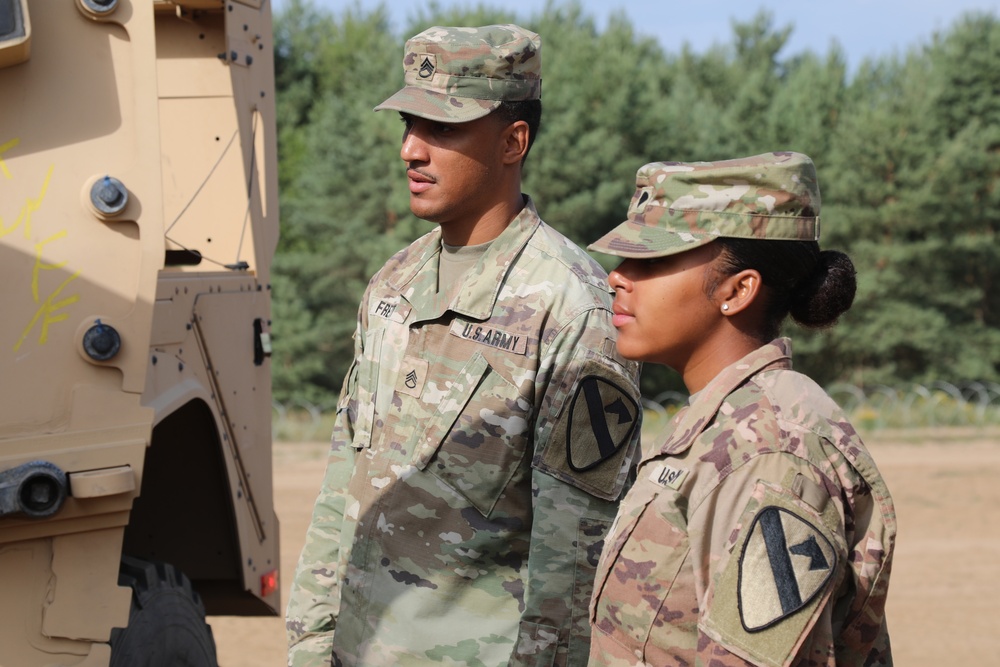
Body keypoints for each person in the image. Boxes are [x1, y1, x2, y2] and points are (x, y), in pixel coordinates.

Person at [286, 24, 642, 667]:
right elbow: (347, 480)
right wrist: (311, 645)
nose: (410, 151)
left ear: (513, 141)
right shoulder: (394, 283)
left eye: (442, 129)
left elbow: (573, 561)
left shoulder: (569, 305)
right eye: (407, 127)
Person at [585, 152, 896, 666]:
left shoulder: (769, 452)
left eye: (652, 260)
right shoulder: (726, 423)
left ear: (737, 290)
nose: (618, 277)